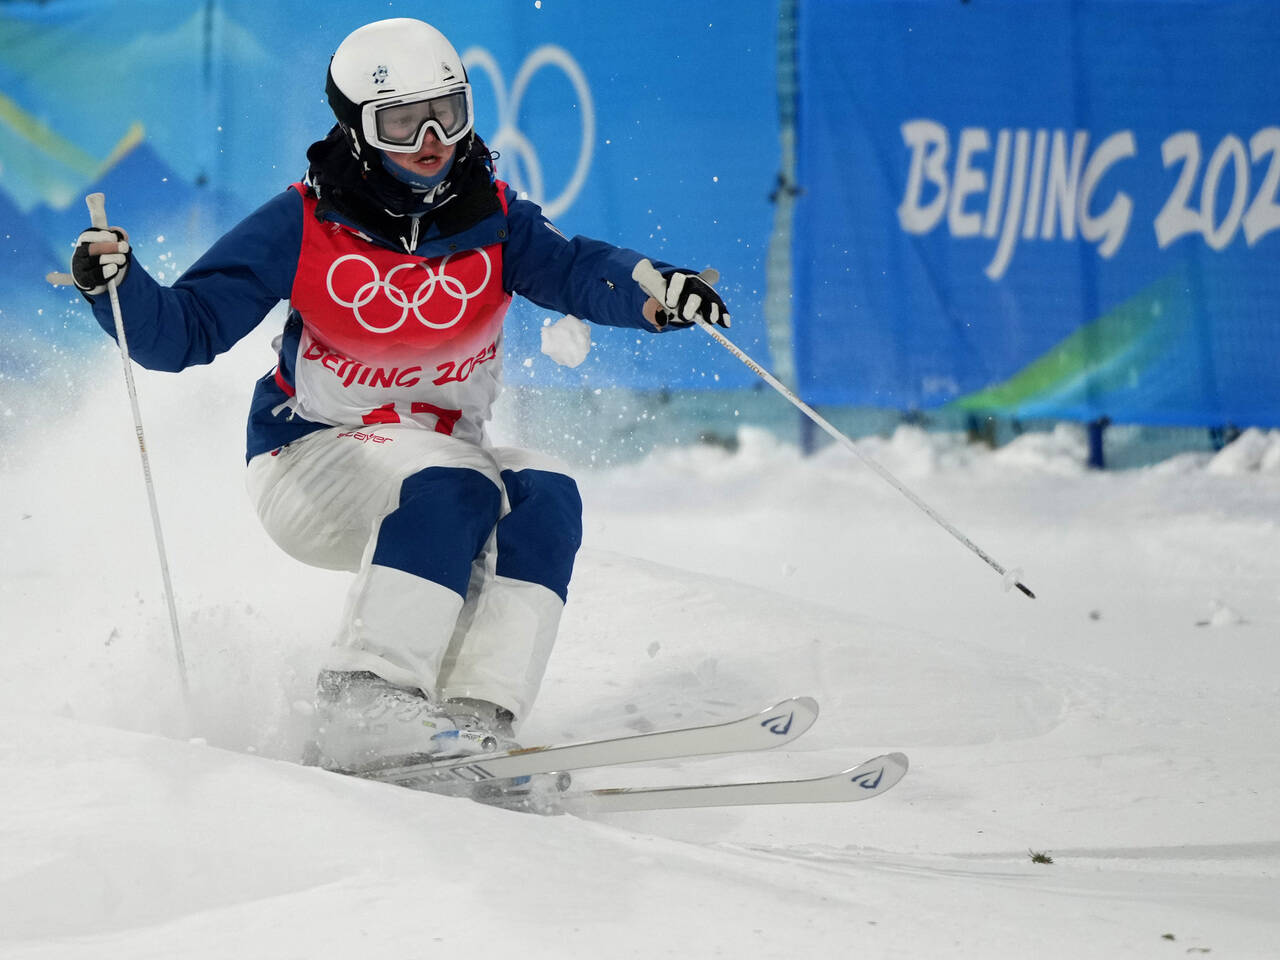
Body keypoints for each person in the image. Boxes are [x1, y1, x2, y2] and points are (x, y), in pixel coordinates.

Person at [69, 17, 729, 774]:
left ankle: (476, 712)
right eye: (401, 122)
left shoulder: (495, 217)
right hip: (309, 458)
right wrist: (116, 289)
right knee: (456, 485)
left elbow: (579, 269)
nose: (430, 140)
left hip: (439, 466)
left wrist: (654, 291)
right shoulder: (305, 221)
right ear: (356, 131)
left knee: (545, 494)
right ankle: (364, 701)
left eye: (447, 113)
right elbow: (184, 332)